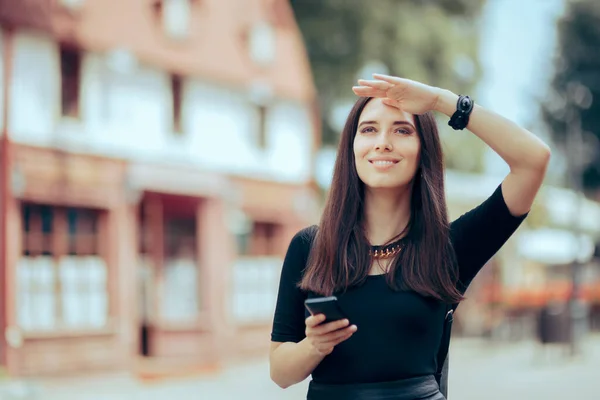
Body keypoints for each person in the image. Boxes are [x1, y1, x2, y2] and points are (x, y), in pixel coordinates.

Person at [269, 73, 551, 400]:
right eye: (369, 129)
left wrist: (441, 101)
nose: (382, 142)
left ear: (423, 150)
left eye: (402, 130)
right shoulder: (310, 248)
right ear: (352, 148)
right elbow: (280, 372)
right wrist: (314, 346)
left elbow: (533, 160)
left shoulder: (449, 247)